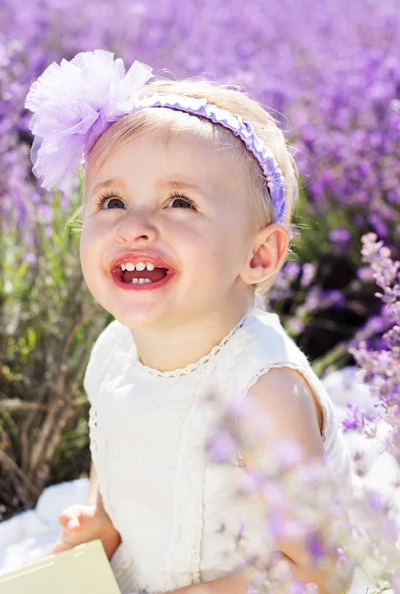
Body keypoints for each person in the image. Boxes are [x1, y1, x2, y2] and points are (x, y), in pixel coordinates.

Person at [25, 50, 355, 594]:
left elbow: (321, 567)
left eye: (178, 201)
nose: (134, 226)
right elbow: (115, 441)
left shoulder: (262, 392)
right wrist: (101, 519)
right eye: (111, 200)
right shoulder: (114, 349)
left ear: (259, 258)